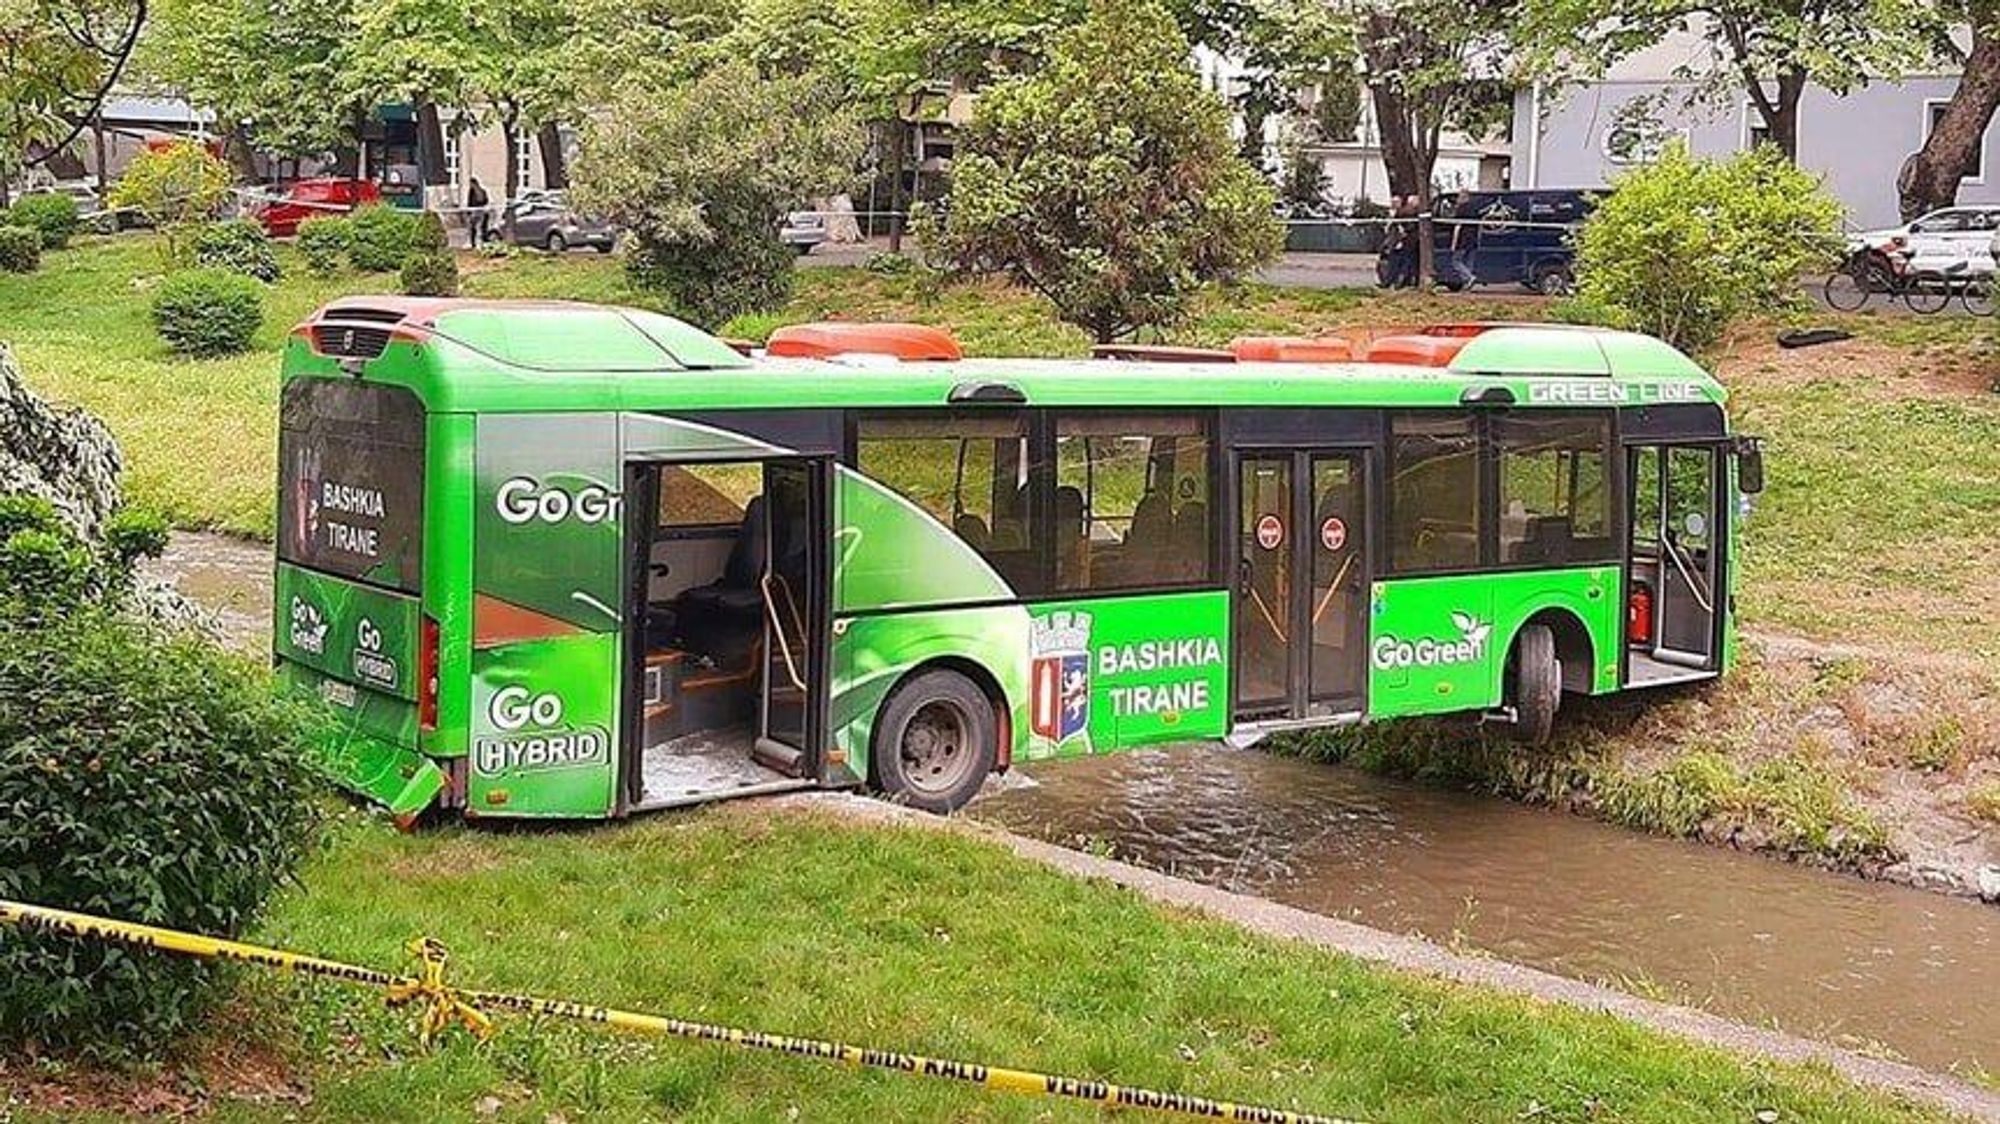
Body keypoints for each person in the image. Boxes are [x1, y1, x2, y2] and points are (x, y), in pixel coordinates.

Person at [466, 177, 490, 247]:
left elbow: (470, 202)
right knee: (478, 227)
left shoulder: (473, 191)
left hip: (475, 212)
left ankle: (475, 243)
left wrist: (469, 212)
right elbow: (486, 201)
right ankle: (477, 242)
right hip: (480, 211)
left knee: (474, 227)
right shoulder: (481, 191)